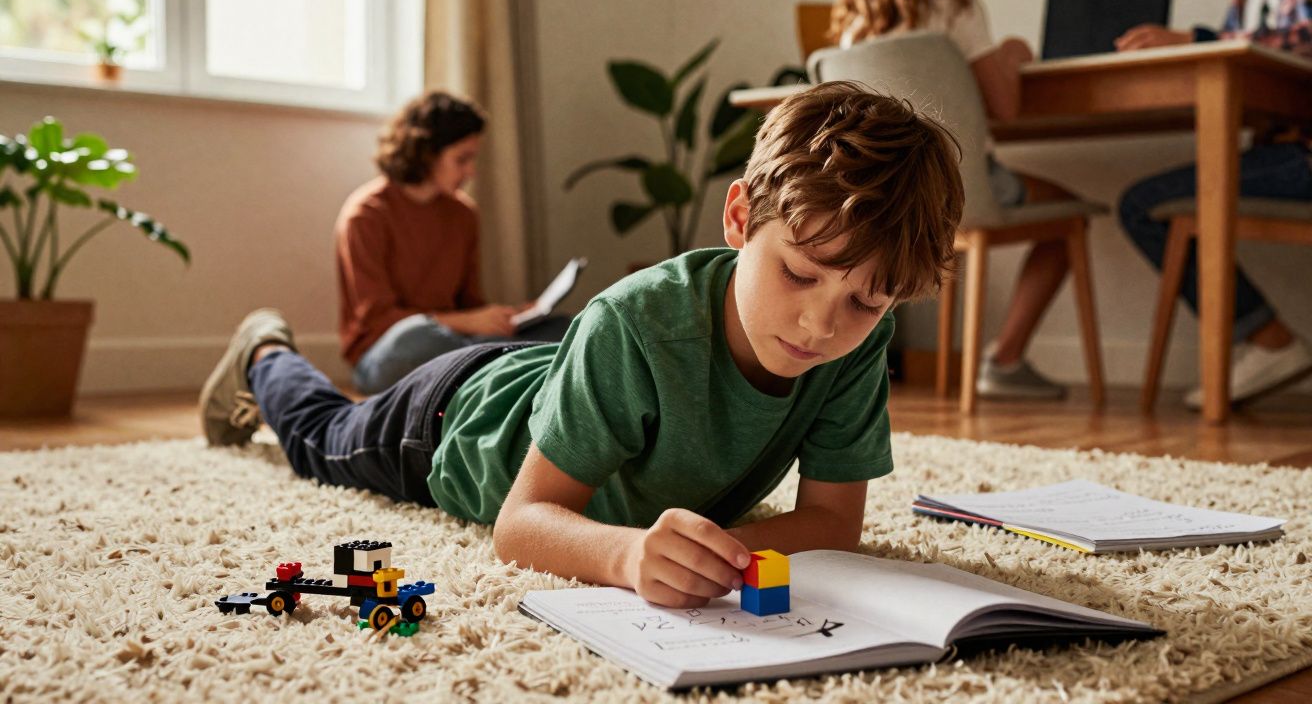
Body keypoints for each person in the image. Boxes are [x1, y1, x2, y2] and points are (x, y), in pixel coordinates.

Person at [197, 82, 964, 609]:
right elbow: (521, 523)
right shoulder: (637, 322)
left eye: (866, 301)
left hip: (554, 376)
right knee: (317, 436)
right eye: (799, 274)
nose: (820, 327)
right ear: (737, 220)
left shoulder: (858, 347)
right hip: (452, 423)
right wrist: (630, 558)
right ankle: (265, 354)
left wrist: (712, 553)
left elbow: (834, 524)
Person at [831, 0, 1080, 401]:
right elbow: (1007, 106)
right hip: (951, 183)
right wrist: (1011, 53)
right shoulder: (956, 2)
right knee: (1071, 214)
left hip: (883, 190)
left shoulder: (856, 23)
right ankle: (1006, 360)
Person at [1114, 0, 1312, 409]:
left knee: (1142, 206)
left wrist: (1197, 39)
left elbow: (1304, 41)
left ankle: (1269, 341)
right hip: (1278, 148)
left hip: (1304, 154)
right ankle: (1267, 339)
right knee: (1139, 203)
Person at [337, 90, 570, 395]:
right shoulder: (366, 215)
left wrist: (509, 317)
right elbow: (379, 321)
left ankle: (476, 366)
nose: (471, 171)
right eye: (462, 159)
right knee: (418, 337)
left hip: (458, 343)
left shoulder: (463, 214)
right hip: (387, 353)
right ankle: (485, 365)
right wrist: (467, 322)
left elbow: (469, 304)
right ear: (425, 153)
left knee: (564, 329)